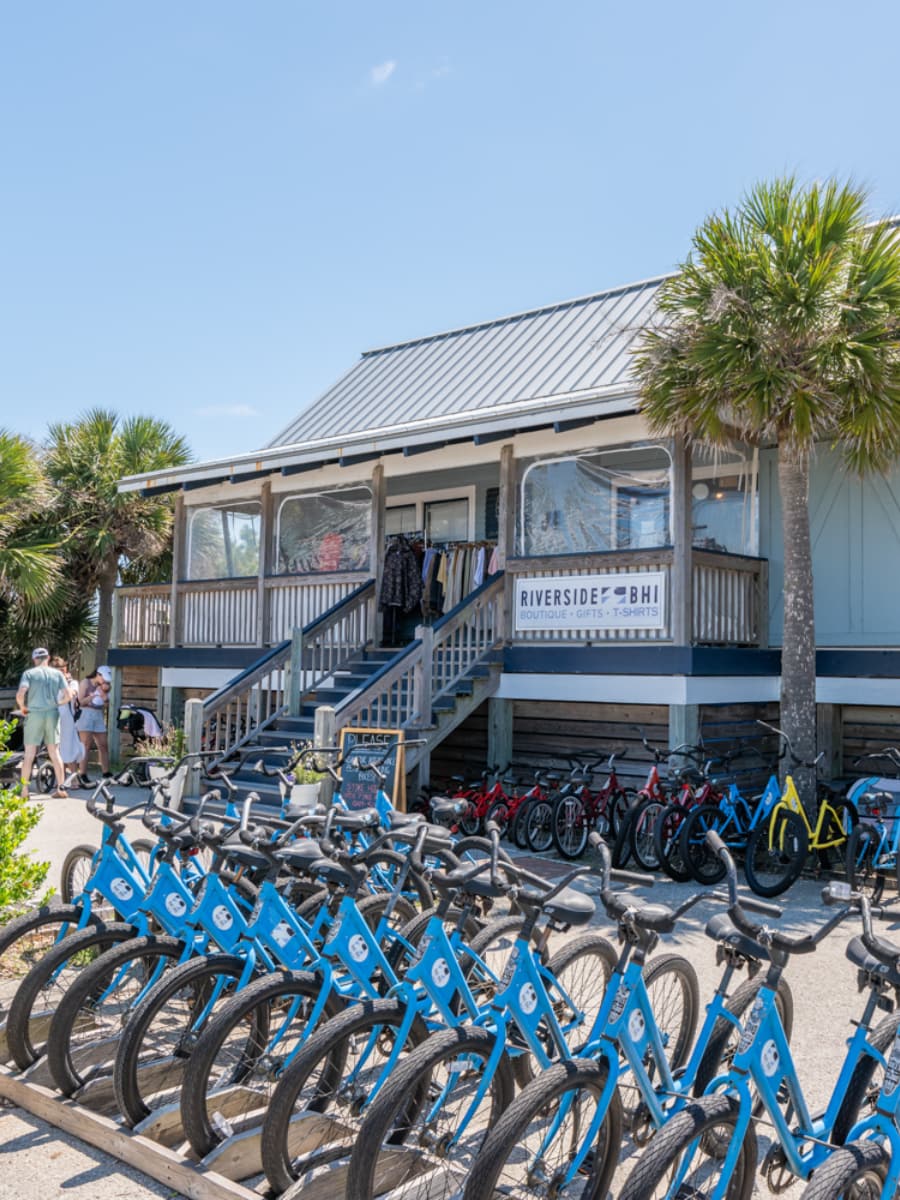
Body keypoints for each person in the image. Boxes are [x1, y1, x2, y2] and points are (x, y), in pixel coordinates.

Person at [15, 648, 72, 798]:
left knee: (29, 753)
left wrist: (22, 707)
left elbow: (21, 693)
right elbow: (68, 695)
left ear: (34, 659)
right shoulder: (58, 674)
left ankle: (24, 790)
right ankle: (61, 788)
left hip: (34, 713)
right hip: (52, 713)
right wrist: (58, 703)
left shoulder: (29, 674)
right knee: (54, 752)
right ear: (48, 658)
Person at [49, 656, 83, 784]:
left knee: (69, 749)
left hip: (67, 719)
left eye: (62, 670)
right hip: (52, 718)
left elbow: (72, 693)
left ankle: (74, 780)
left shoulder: (72, 683)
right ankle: (61, 781)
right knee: (56, 750)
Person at [78, 665, 111, 785]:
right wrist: (92, 697)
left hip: (98, 714)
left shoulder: (106, 686)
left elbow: (106, 705)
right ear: (98, 674)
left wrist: (104, 697)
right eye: (103, 678)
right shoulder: (85, 683)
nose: (105, 681)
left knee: (103, 744)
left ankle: (106, 772)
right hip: (86, 714)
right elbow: (80, 702)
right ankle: (82, 773)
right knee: (86, 745)